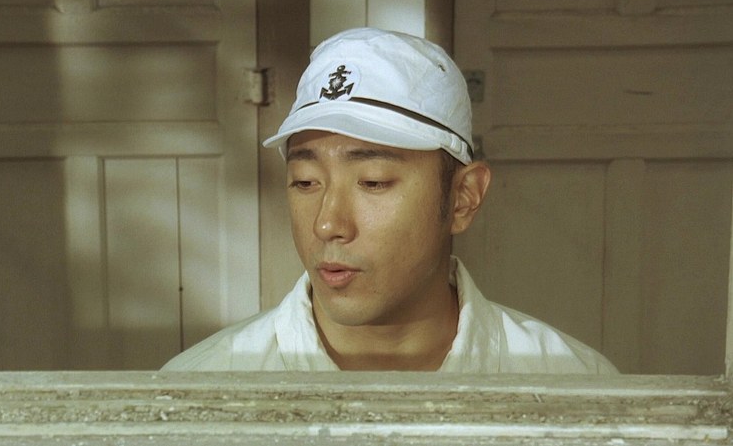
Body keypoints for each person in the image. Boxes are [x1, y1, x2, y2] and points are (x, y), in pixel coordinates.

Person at [161, 28, 618, 373]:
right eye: (305, 182)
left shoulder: (571, 383)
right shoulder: (201, 386)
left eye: (373, 182)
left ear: (463, 198)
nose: (327, 225)